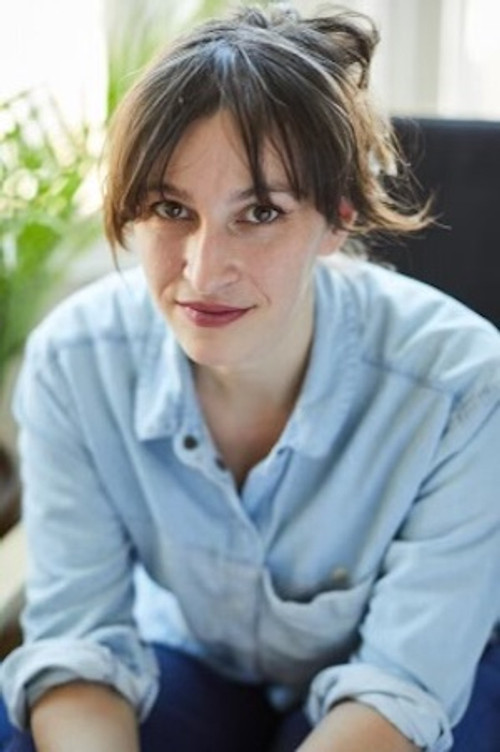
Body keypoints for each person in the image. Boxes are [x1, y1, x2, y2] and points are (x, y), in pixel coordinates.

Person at [1, 3, 499, 751]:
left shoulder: (463, 386)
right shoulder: (75, 364)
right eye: (171, 208)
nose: (203, 273)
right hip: (200, 663)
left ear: (338, 217)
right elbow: (80, 645)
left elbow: (402, 687)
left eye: (260, 212)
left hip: (405, 684)